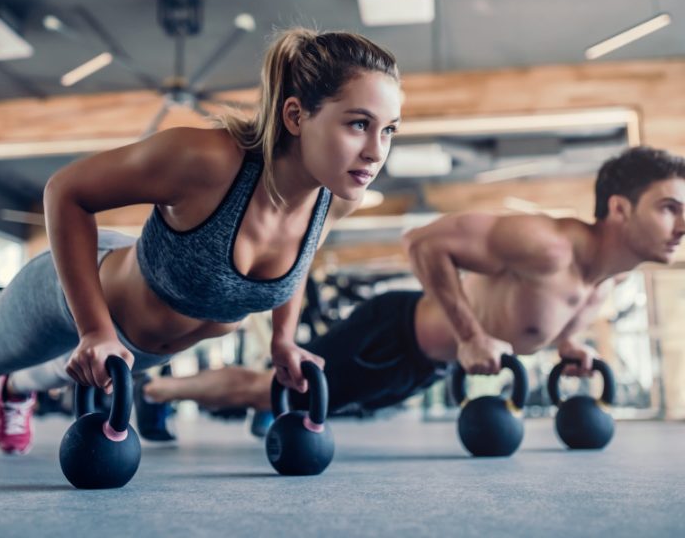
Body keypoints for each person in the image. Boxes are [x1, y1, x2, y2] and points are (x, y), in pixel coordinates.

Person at [0, 28, 403, 457]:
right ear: (295, 116)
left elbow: (297, 260)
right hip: (77, 295)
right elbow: (66, 191)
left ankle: (14, 392)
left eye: (389, 131)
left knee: (53, 371)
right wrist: (92, 328)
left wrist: (283, 340)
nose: (376, 151)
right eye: (359, 124)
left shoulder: (336, 198)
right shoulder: (208, 161)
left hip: (137, 349)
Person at [133, 146, 685, 438]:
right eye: (669, 208)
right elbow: (421, 241)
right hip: (391, 335)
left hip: (420, 367)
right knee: (267, 390)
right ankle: (156, 394)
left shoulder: (612, 275)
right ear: (619, 209)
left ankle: (195, 398)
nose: (682, 226)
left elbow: (558, 309)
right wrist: (471, 334)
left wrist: (569, 345)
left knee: (303, 404)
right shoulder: (545, 244)